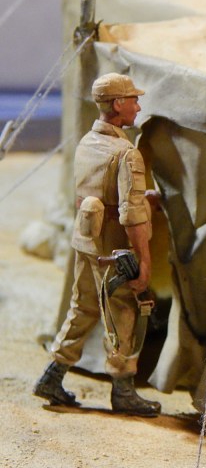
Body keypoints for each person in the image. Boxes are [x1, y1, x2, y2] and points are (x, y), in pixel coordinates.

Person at [33, 73, 161, 417]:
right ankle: (123, 391)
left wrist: (141, 197)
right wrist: (144, 261)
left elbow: (98, 192)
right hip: (114, 250)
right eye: (133, 100)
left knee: (83, 307)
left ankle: (52, 375)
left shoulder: (88, 142)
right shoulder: (126, 153)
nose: (138, 106)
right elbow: (131, 216)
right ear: (117, 104)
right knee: (123, 313)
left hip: (87, 240)